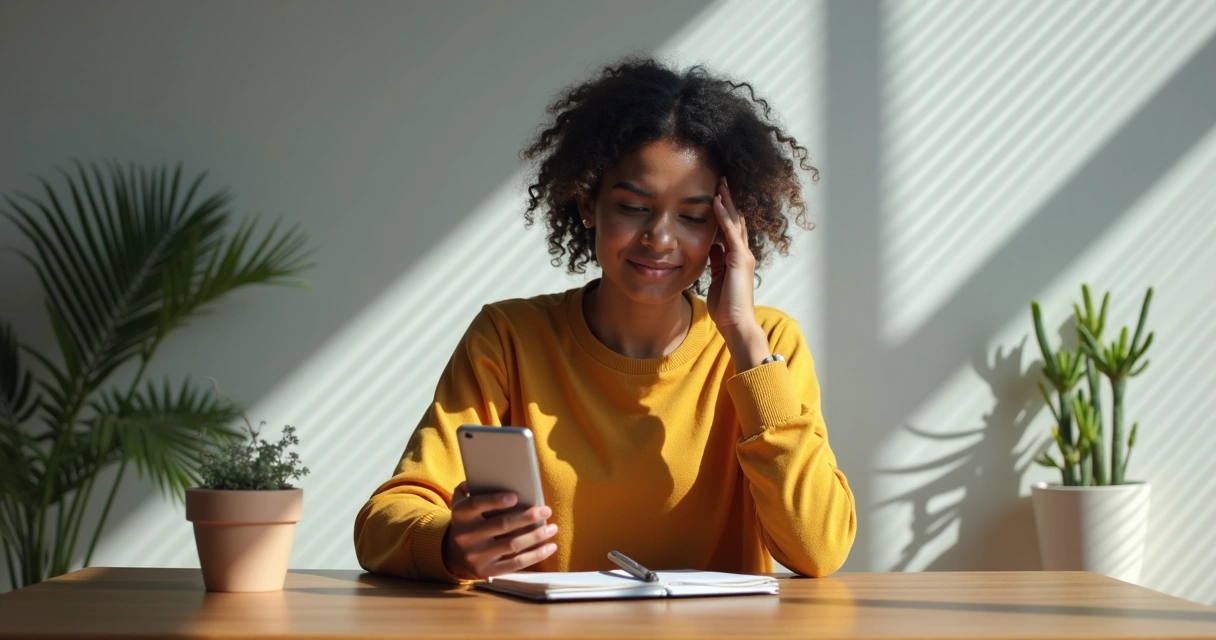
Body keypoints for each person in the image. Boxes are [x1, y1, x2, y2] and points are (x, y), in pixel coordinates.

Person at [353, 57, 856, 583]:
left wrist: (745, 340)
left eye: (692, 216)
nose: (660, 238)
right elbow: (382, 524)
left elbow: (818, 549)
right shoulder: (509, 339)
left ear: (726, 231)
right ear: (588, 202)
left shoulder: (767, 344)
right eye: (634, 206)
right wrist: (452, 546)